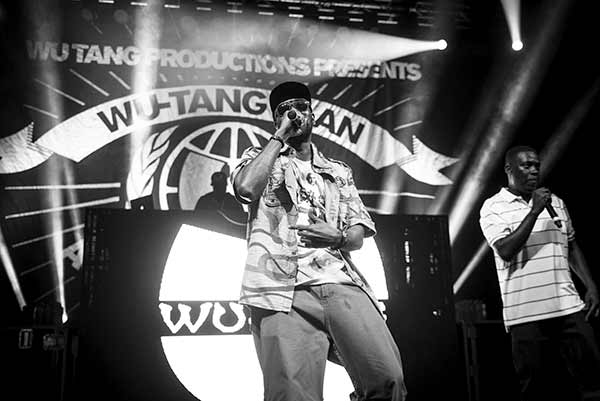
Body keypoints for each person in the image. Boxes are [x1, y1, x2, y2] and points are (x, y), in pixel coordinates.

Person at [232, 81, 407, 401]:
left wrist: (337, 237)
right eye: (284, 110)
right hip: (281, 290)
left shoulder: (338, 171)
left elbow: (357, 235)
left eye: (300, 107)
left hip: (340, 282)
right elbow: (246, 189)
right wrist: (279, 137)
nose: (294, 114)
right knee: (292, 395)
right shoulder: (259, 157)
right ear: (276, 120)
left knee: (387, 379)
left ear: (313, 114)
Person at [479, 145, 600, 401]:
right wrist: (534, 211)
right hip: (526, 315)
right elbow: (505, 250)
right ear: (509, 169)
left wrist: (590, 285)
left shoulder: (556, 203)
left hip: (568, 308)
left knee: (592, 383)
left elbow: (571, 246)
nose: (534, 170)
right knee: (536, 390)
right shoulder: (493, 207)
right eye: (526, 165)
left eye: (536, 165)